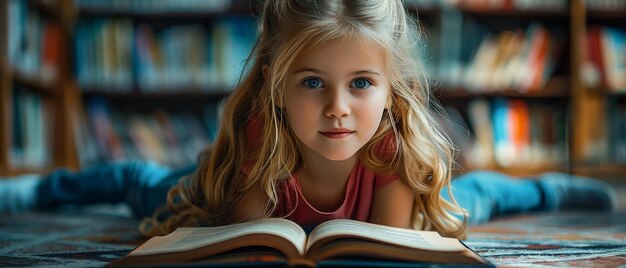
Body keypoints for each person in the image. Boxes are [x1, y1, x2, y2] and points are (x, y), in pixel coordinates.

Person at [0, 0, 617, 240]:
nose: (338, 108)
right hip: (222, 189)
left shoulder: (393, 147)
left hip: (413, 196)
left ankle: (565, 185)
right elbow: (244, 237)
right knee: (141, 183)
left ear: (391, 89)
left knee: (479, 197)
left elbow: (385, 243)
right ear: (276, 84)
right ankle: (43, 185)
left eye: (362, 84)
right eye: (313, 83)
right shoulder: (260, 134)